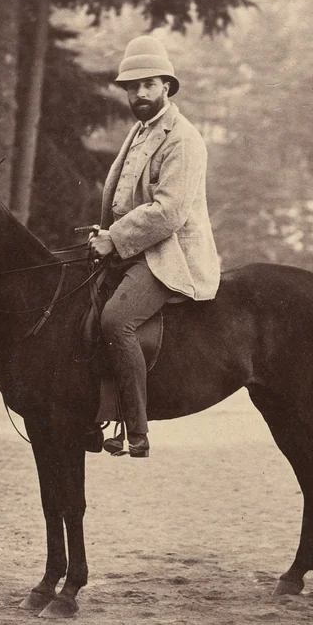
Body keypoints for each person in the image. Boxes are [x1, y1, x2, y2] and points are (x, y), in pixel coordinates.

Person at [88, 36, 220, 458]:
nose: (139, 93)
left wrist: (116, 238)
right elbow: (125, 195)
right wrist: (104, 232)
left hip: (169, 255)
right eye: (132, 86)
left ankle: (136, 429)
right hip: (133, 248)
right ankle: (92, 413)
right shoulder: (141, 131)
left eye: (148, 84)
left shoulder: (182, 137)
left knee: (116, 320)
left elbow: (169, 211)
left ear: (167, 85)